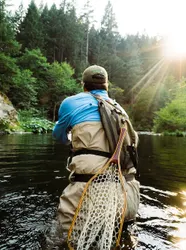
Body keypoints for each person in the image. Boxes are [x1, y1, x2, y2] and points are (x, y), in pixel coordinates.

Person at [53, 65, 140, 232]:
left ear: (83, 85)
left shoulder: (70, 103)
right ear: (107, 86)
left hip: (88, 191)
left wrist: (71, 139)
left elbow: (58, 136)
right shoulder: (120, 111)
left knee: (60, 237)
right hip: (128, 195)